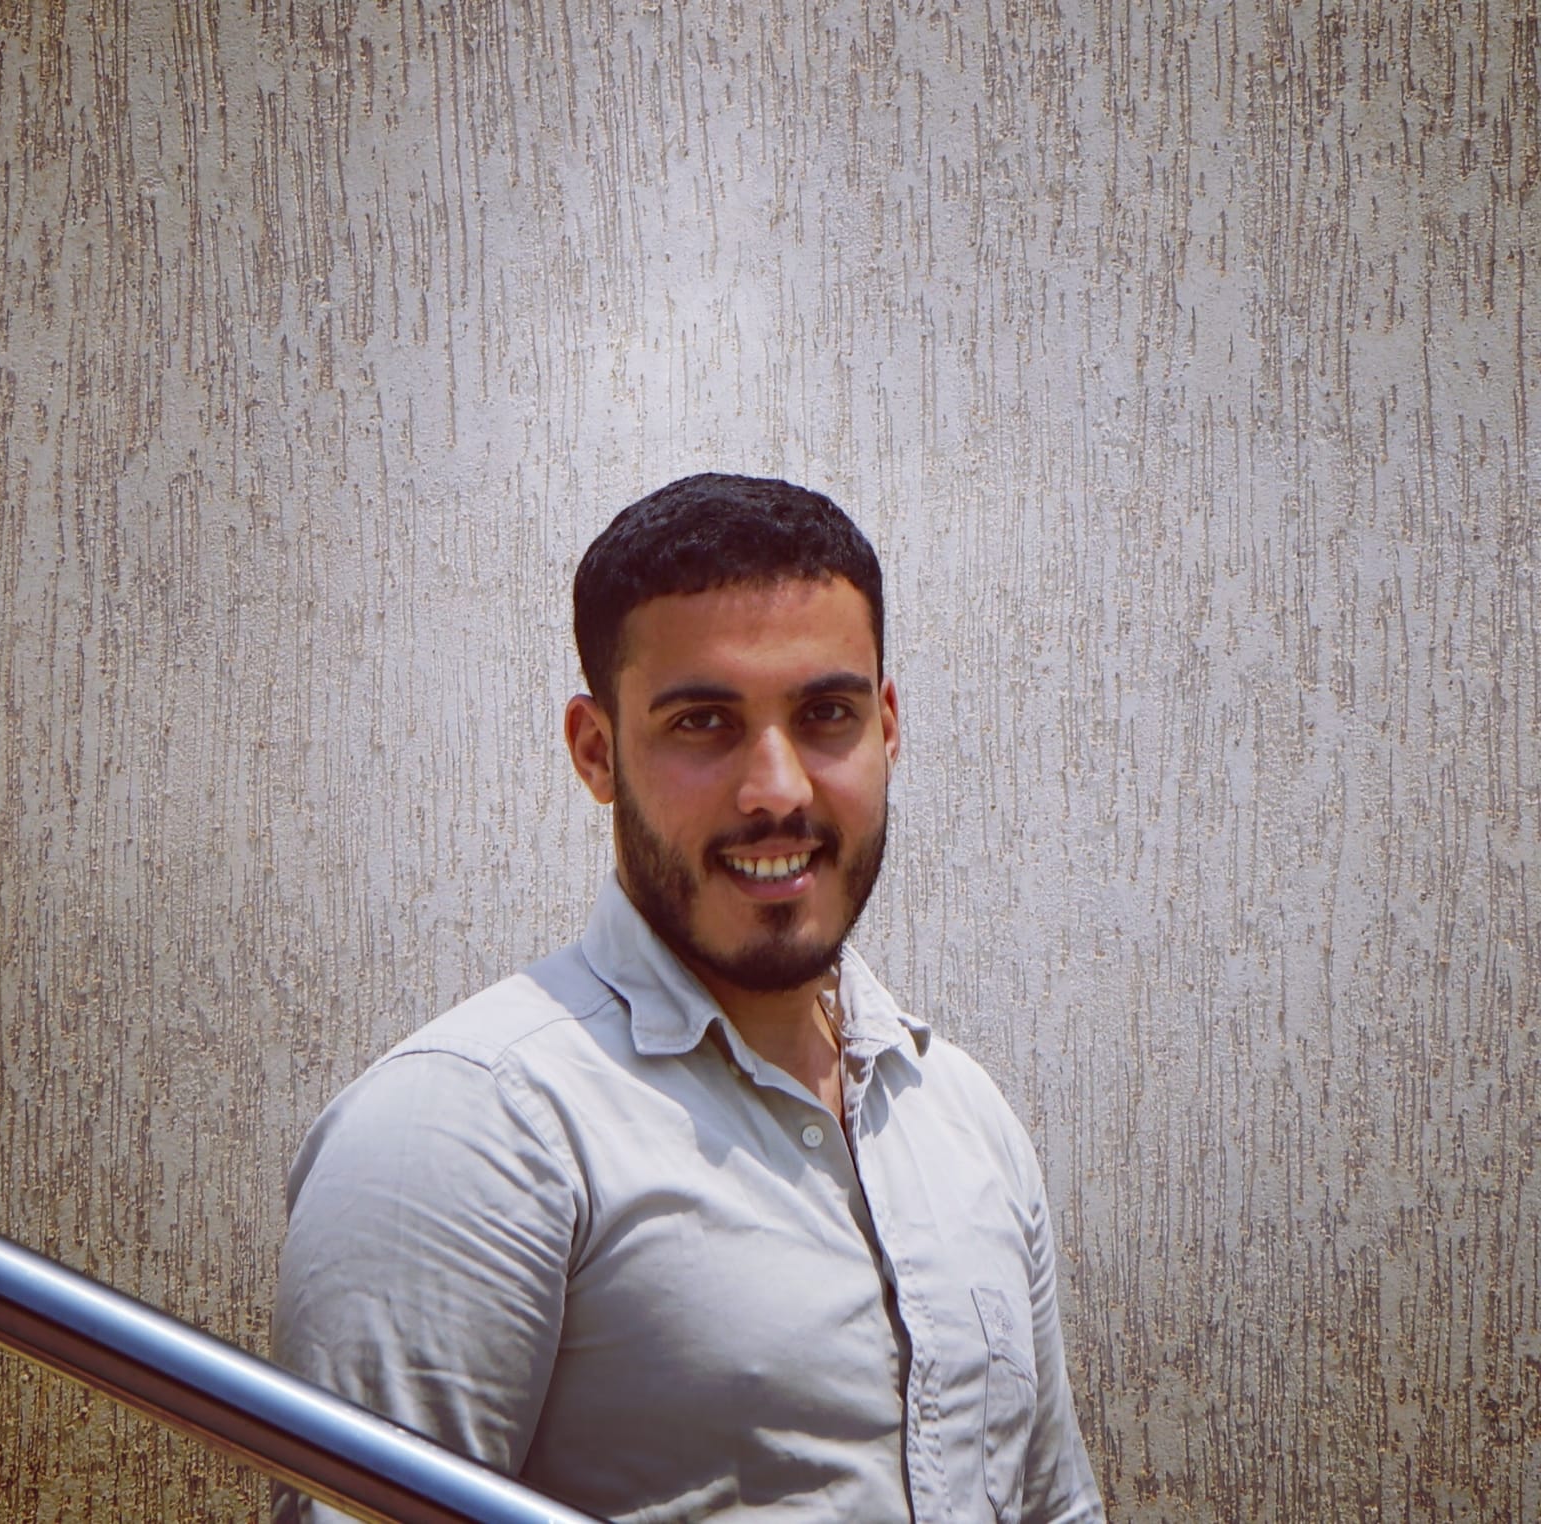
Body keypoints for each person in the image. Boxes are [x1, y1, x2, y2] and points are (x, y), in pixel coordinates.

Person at [272, 473, 1105, 1523]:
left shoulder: (963, 1117)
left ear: (887, 726)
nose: (777, 790)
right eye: (704, 721)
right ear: (597, 752)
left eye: (826, 715)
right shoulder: (465, 1126)